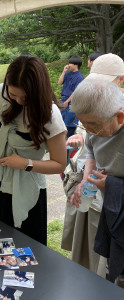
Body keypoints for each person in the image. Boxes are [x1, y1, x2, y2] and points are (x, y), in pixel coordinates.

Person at [0, 55, 67, 245]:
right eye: (13, 95)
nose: (18, 101)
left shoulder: (50, 115)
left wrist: (25, 164)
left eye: (25, 97)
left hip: (26, 188)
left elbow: (60, 164)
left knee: (25, 248)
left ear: (38, 91)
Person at [62, 53, 124, 278]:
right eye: (83, 124)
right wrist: (87, 180)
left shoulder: (108, 110)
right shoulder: (94, 117)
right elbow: (90, 152)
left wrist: (113, 185)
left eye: (94, 125)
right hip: (105, 196)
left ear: (120, 117)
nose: (88, 131)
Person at [58, 56, 84, 138]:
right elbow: (60, 82)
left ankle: (70, 141)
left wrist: (67, 102)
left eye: (70, 63)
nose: (68, 65)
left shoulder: (79, 77)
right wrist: (64, 71)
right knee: (62, 122)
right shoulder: (68, 73)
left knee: (70, 123)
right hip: (64, 99)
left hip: (72, 101)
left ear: (76, 65)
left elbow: (76, 92)